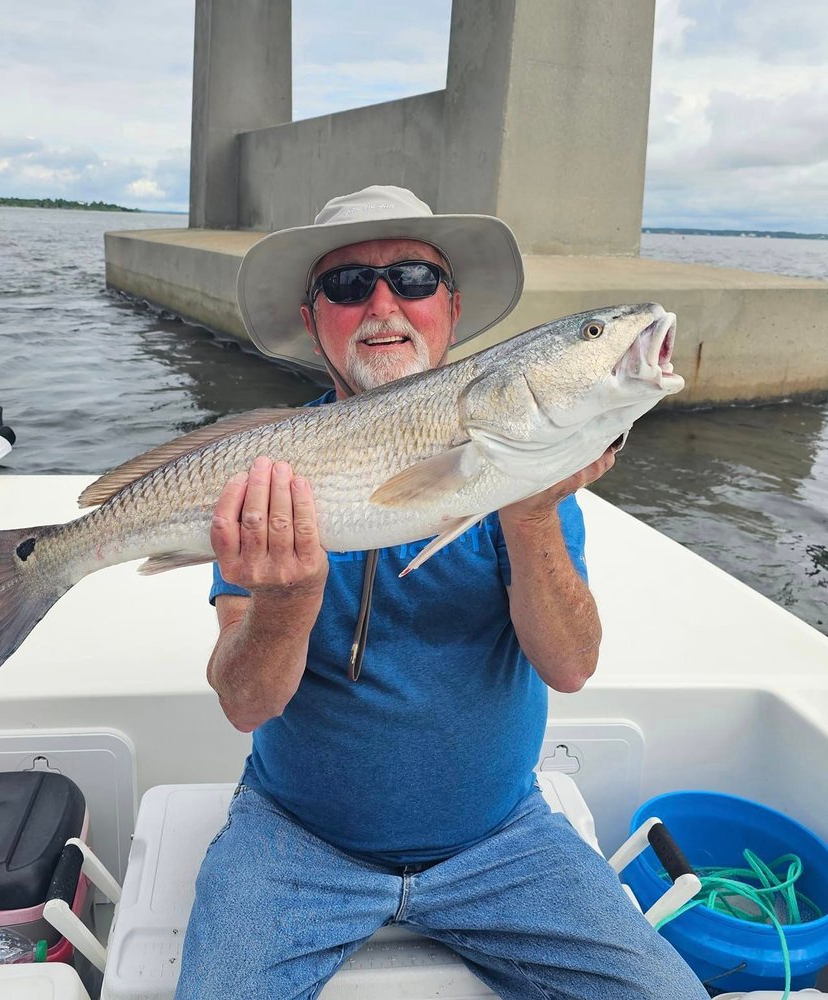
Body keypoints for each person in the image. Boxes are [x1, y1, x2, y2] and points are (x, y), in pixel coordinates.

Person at [175, 186, 705, 1000]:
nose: (383, 304)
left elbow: (567, 666)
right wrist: (285, 600)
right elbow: (245, 705)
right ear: (314, 319)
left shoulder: (529, 462)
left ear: (450, 309)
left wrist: (529, 514)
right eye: (349, 287)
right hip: (295, 840)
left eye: (414, 280)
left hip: (501, 841)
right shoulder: (268, 473)